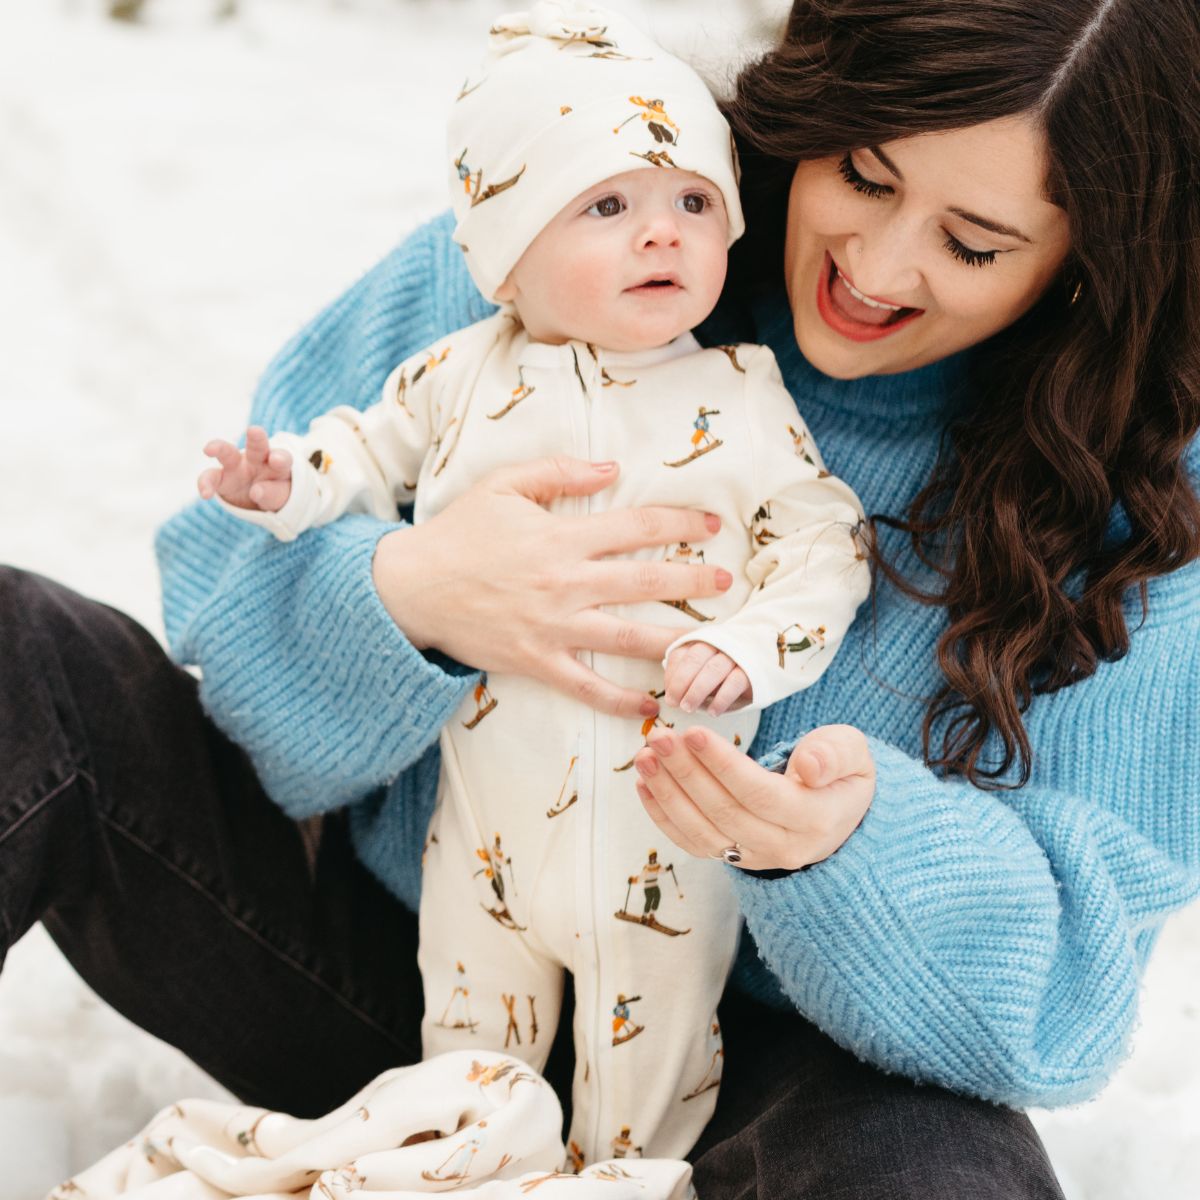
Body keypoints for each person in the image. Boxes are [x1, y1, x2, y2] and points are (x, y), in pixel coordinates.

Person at [4, 1, 1198, 1196]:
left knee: (948, 1180)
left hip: (758, 1071)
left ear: (1094, 262)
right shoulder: (583, 215)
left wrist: (848, 850)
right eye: (866, 174)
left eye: (974, 244)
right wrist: (411, 594)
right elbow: (224, 579)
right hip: (409, 960)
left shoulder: (1148, 508)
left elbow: (1068, 1002)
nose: (878, 268)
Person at [194, 2, 869, 1163]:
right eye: (608, 206)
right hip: (487, 832)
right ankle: (466, 1171)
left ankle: (627, 1180)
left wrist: (753, 648)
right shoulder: (458, 374)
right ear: (504, 249)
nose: (662, 235)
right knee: (465, 1047)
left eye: (693, 203)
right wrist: (289, 484)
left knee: (652, 1076)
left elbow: (825, 549)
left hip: (666, 827)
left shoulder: (741, 397)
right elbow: (361, 454)